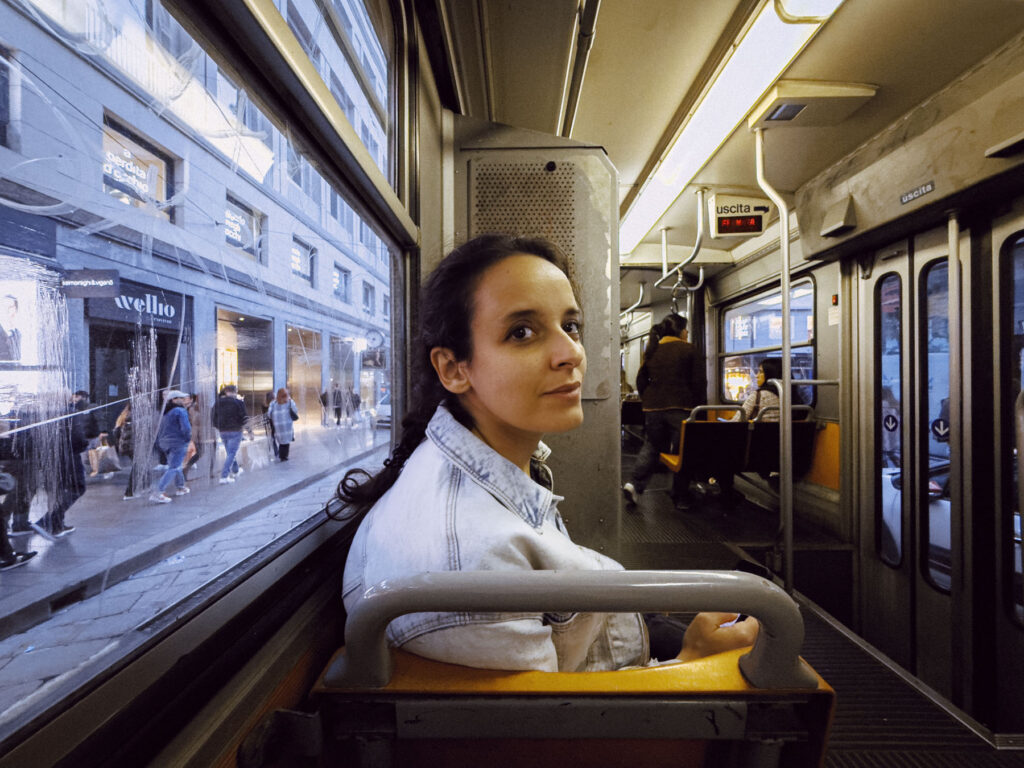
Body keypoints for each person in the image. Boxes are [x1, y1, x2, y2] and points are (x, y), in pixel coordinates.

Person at [337, 234, 756, 673]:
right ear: (453, 368)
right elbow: (556, 730)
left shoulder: (491, 461)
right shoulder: (473, 570)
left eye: (570, 326)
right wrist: (690, 661)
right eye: (522, 332)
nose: (571, 352)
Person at [622, 313, 706, 511]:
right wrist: (697, 405)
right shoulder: (689, 349)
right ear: (680, 330)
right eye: (685, 329)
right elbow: (699, 382)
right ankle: (680, 496)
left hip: (653, 408)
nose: (687, 332)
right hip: (681, 407)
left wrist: (649, 399)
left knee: (652, 446)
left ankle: (634, 484)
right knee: (683, 451)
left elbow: (641, 380)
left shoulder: (652, 350)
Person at [32, 394, 91, 538]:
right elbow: (77, 437)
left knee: (59, 490)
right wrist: (84, 445)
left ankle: (57, 525)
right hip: (69, 456)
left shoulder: (45, 412)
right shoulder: (69, 412)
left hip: (51, 457)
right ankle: (48, 521)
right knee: (77, 487)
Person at [150, 391, 192, 503]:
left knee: (175, 465)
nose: (184, 400)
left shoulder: (163, 412)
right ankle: (158, 492)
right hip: (177, 442)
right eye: (181, 398)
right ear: (174, 399)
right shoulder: (180, 411)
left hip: (164, 442)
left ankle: (181, 487)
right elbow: (186, 428)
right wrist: (187, 439)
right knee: (174, 467)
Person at [730, 357, 800, 423]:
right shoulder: (792, 396)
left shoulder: (758, 395)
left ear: (770, 374)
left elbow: (736, 421)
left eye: (760, 372)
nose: (756, 375)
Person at [211, 385, 247, 484]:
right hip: (235, 431)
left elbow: (213, 417)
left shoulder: (217, 403)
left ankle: (235, 470)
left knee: (230, 452)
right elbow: (244, 418)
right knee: (231, 453)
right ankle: (224, 476)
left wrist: (219, 427)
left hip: (223, 431)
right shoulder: (239, 403)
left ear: (226, 392)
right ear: (235, 391)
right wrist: (249, 431)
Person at [266, 388, 297, 461]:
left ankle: (282, 455)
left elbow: (269, 414)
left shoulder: (273, 403)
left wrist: (275, 417)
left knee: (281, 441)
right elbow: (295, 410)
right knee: (286, 441)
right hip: (287, 425)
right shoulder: (290, 402)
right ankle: (284, 456)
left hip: (278, 426)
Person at [0, 294, 21, 362]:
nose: (7, 310)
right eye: (4, 307)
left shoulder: (18, 333)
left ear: (15, 310)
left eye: (11, 307)